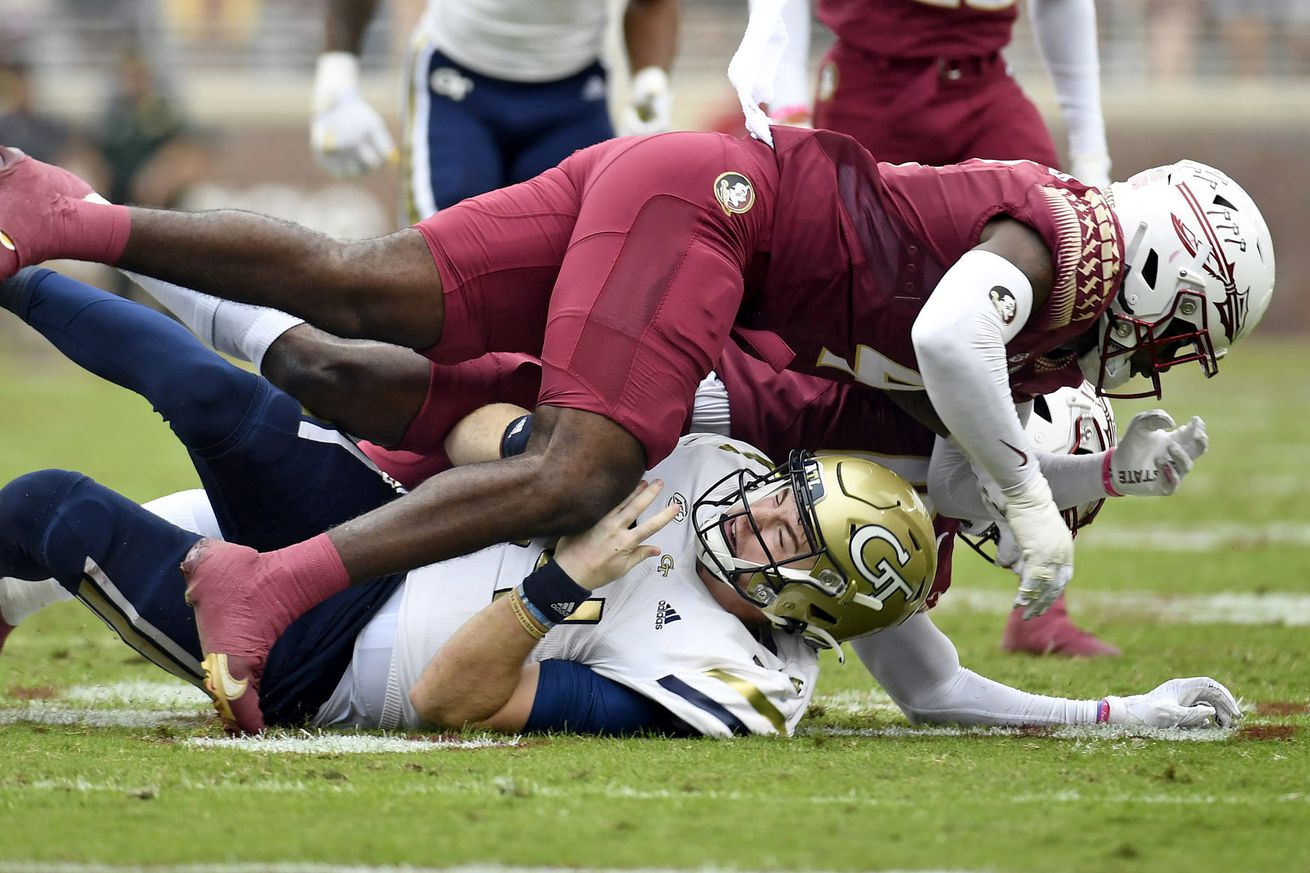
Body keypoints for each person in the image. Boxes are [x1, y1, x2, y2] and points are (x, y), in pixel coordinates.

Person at [0, 126, 1274, 733]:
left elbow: (933, 663)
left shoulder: (872, 521)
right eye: (1179, 329)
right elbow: (954, 362)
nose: (1160, 357)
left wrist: (1095, 486)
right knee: (578, 469)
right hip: (696, 260)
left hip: (660, 265)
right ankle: (269, 581)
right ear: (1169, 270)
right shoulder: (1050, 255)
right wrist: (1047, 490)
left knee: (354, 309)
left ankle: (70, 221)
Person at [745, 0, 1114, 652]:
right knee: (865, 346)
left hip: (984, 87)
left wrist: (1091, 149)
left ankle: (1043, 595)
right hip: (872, 89)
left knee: (1067, 314)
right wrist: (789, 102)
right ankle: (877, 564)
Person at [311, 0, 680, 222]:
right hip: (457, 80)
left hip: (574, 90)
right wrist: (336, 81)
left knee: (575, 264)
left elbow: (651, 3)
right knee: (445, 258)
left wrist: (651, 83)